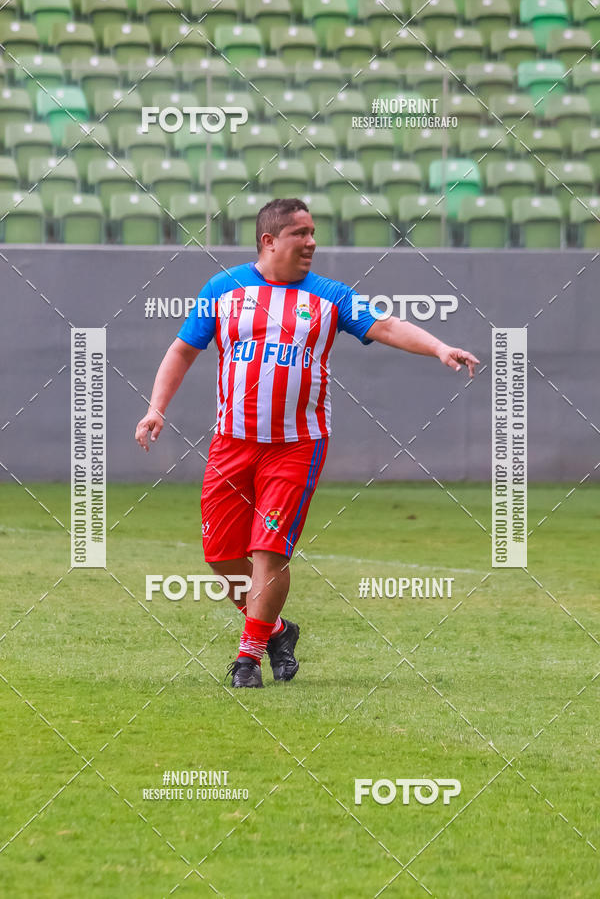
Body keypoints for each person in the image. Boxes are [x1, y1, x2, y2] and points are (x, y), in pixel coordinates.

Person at [135, 198, 480, 688]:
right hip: (232, 443)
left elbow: (385, 325)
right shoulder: (223, 288)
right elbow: (182, 349)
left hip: (296, 447)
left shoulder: (330, 295)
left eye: (314, 232)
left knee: (268, 551)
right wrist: (155, 408)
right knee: (220, 555)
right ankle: (277, 630)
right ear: (269, 240)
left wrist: (439, 347)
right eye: (301, 233)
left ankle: (248, 657)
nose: (312, 242)